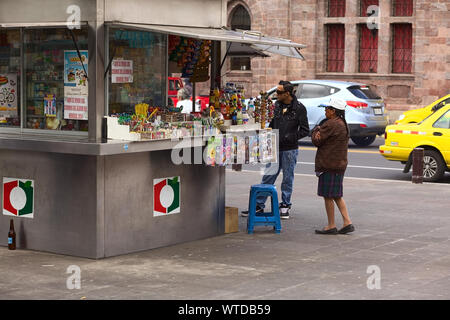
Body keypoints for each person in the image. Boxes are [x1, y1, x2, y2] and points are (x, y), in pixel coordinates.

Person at [241, 80, 309, 219]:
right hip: (273, 146)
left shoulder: (299, 108)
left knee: (287, 178)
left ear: (287, 94)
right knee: (268, 176)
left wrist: (290, 137)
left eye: (279, 92)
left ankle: (285, 205)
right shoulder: (276, 105)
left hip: (290, 149)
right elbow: (272, 123)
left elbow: (305, 130)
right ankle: (259, 206)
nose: (276, 94)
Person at [311, 98, 355, 234]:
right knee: (336, 195)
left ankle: (331, 225)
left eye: (327, 109)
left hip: (328, 164)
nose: (325, 111)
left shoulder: (331, 124)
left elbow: (317, 140)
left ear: (333, 111)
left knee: (328, 196)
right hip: (338, 164)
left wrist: (315, 130)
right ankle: (347, 222)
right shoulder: (342, 123)